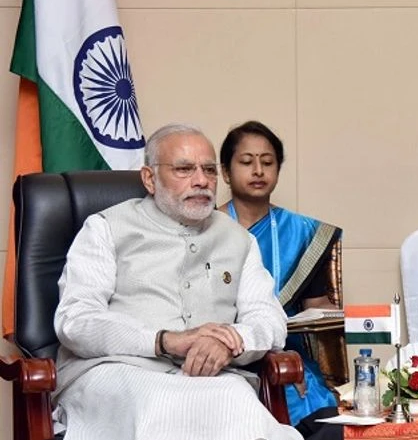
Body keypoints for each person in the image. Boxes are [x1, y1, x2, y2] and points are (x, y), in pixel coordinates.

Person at [52, 123, 302, 440]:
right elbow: (76, 321)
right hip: (117, 371)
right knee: (160, 406)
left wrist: (228, 342)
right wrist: (164, 340)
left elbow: (269, 320)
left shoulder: (239, 240)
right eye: (184, 169)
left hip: (211, 378)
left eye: (209, 170)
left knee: (240, 406)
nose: (201, 181)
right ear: (149, 178)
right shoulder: (105, 229)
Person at [218, 120, 340, 426]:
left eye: (268, 162)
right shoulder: (207, 230)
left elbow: (317, 309)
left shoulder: (302, 233)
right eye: (246, 162)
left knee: (320, 413)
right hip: (223, 352)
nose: (258, 170)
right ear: (225, 171)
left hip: (287, 353)